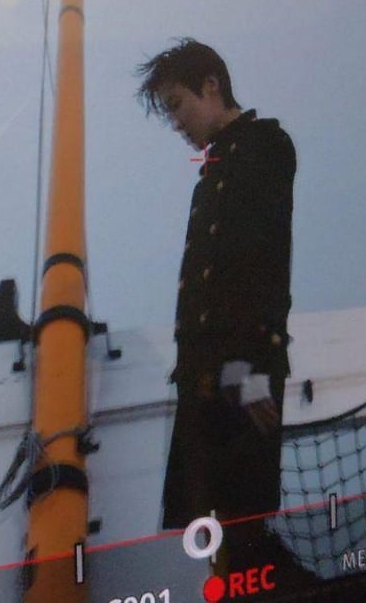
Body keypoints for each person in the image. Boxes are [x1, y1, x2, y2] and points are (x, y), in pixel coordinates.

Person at [136, 38, 303, 587]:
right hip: (205, 375)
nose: (176, 123)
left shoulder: (263, 144)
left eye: (177, 104)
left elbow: (261, 259)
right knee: (203, 540)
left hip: (238, 370)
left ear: (210, 85)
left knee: (243, 533)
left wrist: (248, 369)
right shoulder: (216, 167)